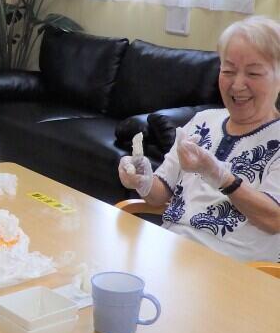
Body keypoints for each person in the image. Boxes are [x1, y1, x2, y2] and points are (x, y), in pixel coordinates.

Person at [118, 16, 280, 262]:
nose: (237, 84)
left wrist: (220, 176)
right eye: (228, 70)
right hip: (169, 252)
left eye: (254, 73)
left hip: (233, 272)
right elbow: (159, 194)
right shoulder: (202, 121)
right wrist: (142, 179)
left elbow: (274, 218)